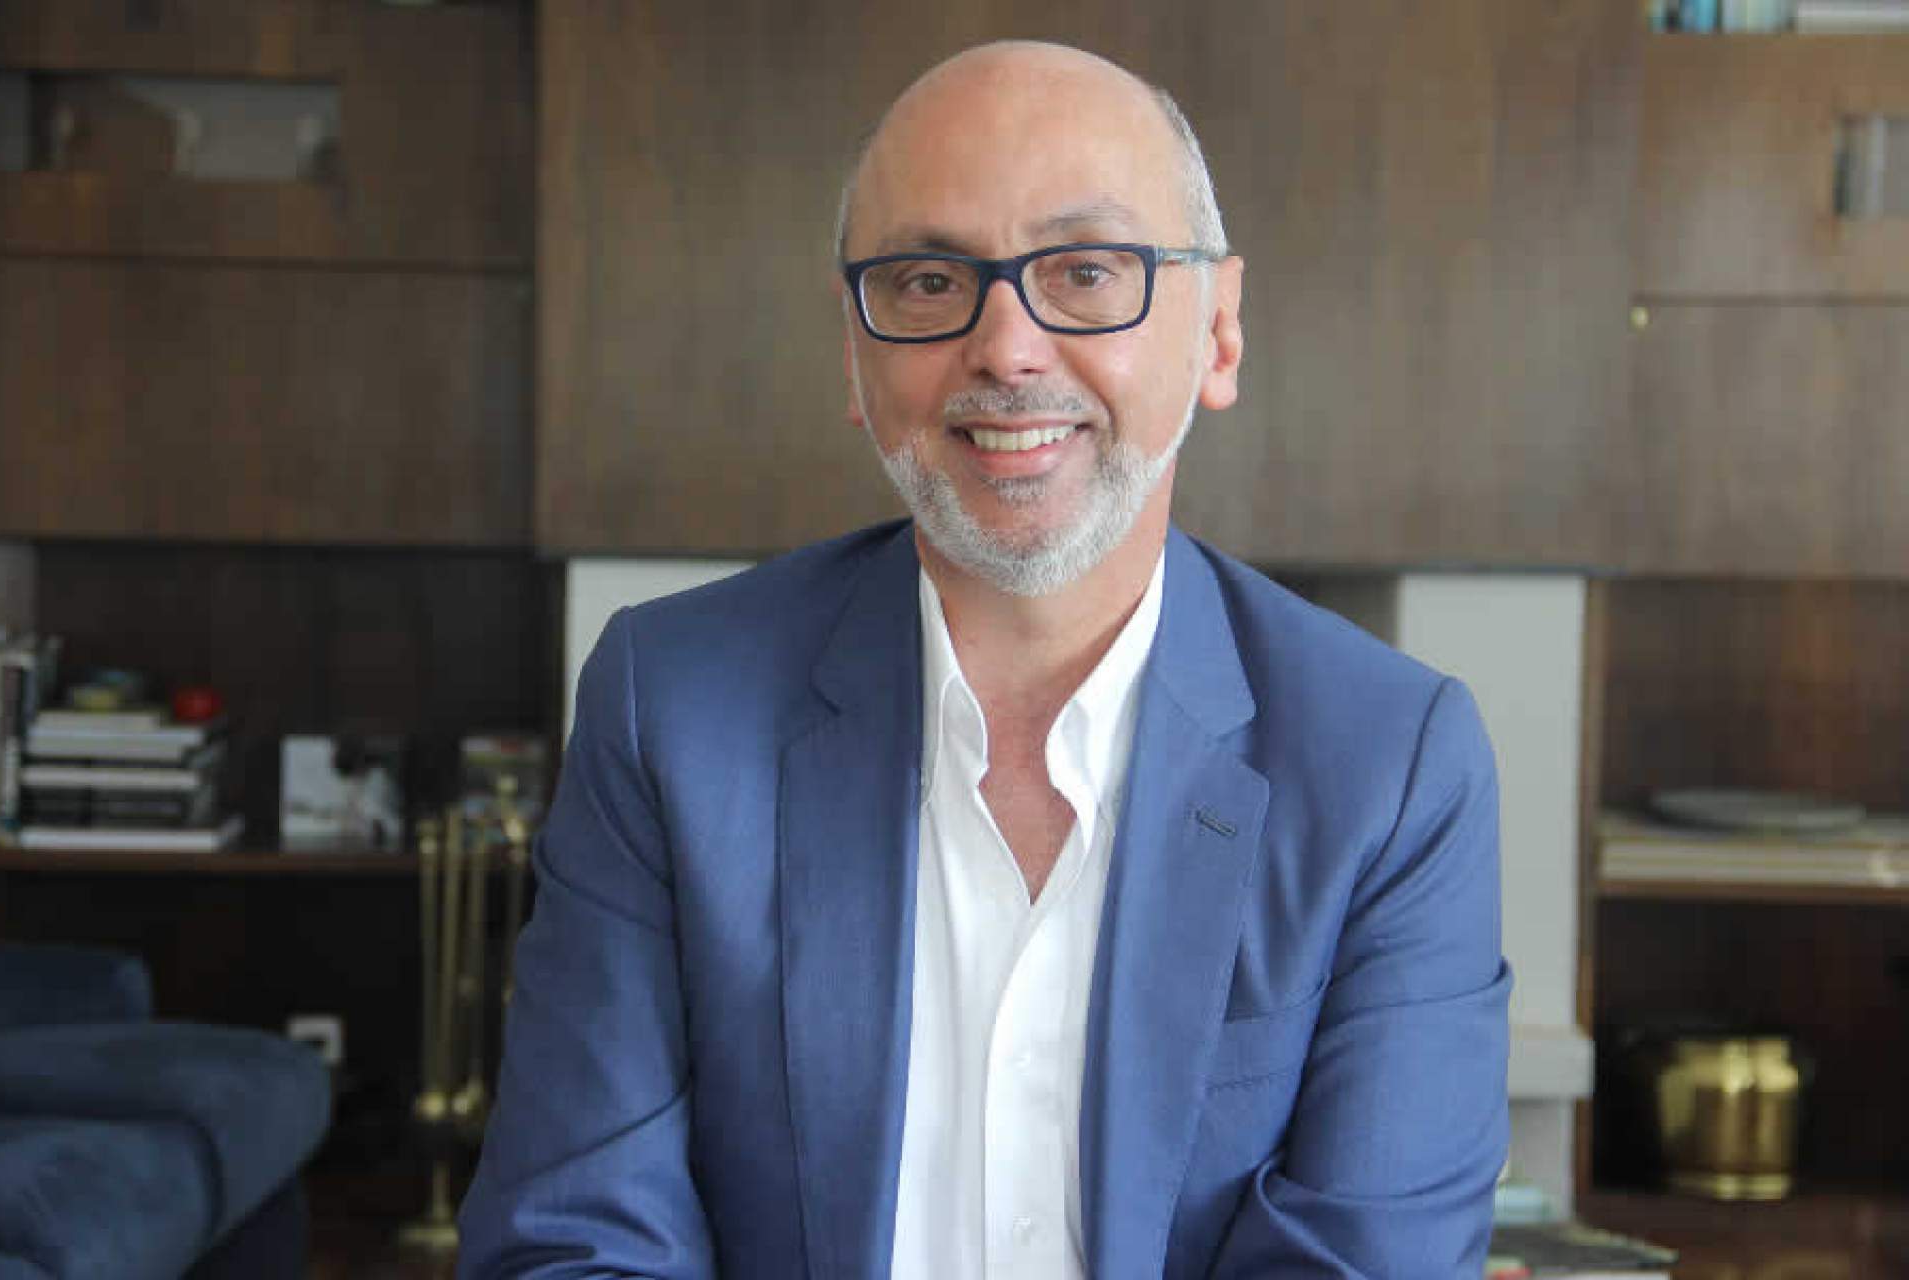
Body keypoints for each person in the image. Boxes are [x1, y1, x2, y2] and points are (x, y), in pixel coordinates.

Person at [459, 40, 1510, 1279]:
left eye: (1087, 271)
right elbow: (573, 1244)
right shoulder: (672, 709)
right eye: (926, 280)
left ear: (1218, 331)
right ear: (856, 356)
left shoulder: (1392, 763)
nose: (1008, 348)